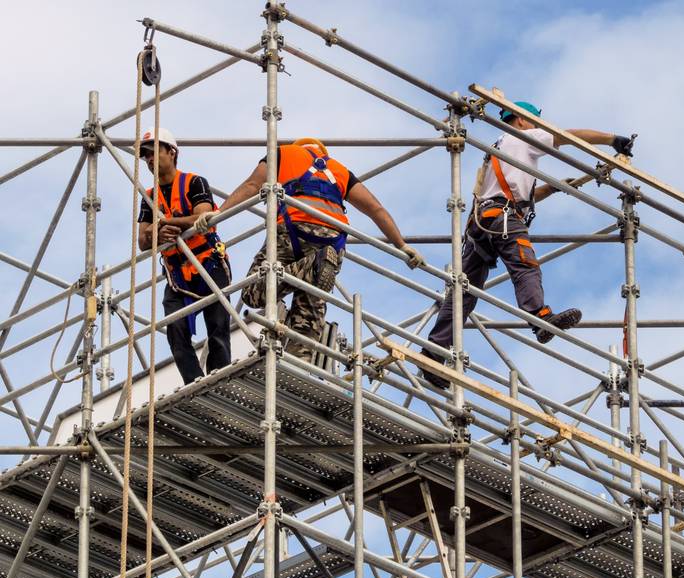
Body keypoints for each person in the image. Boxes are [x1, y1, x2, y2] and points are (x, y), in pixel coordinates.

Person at [418, 101, 636, 389]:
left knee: (463, 294)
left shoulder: (499, 147)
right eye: (534, 122)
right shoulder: (524, 137)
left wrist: (551, 187)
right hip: (503, 219)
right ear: (520, 120)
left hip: (482, 223)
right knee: (525, 265)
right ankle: (539, 317)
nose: (537, 128)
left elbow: (514, 194)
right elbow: (567, 136)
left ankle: (433, 353)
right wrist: (612, 140)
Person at [200, 138, 423, 359]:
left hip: (292, 229)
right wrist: (402, 246)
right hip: (333, 241)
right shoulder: (340, 171)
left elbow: (252, 185)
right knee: (309, 309)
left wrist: (219, 213)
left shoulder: (283, 153)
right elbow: (376, 209)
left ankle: (313, 267)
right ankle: (299, 362)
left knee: (253, 292)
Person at [137, 127, 231, 385]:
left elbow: (204, 217)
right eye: (145, 156)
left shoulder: (194, 182)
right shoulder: (149, 197)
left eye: (154, 152)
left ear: (172, 152)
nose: (149, 160)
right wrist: (158, 231)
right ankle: (195, 383)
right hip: (177, 273)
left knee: (218, 328)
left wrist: (170, 222)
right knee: (176, 331)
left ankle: (220, 382)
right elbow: (143, 242)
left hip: (208, 264)